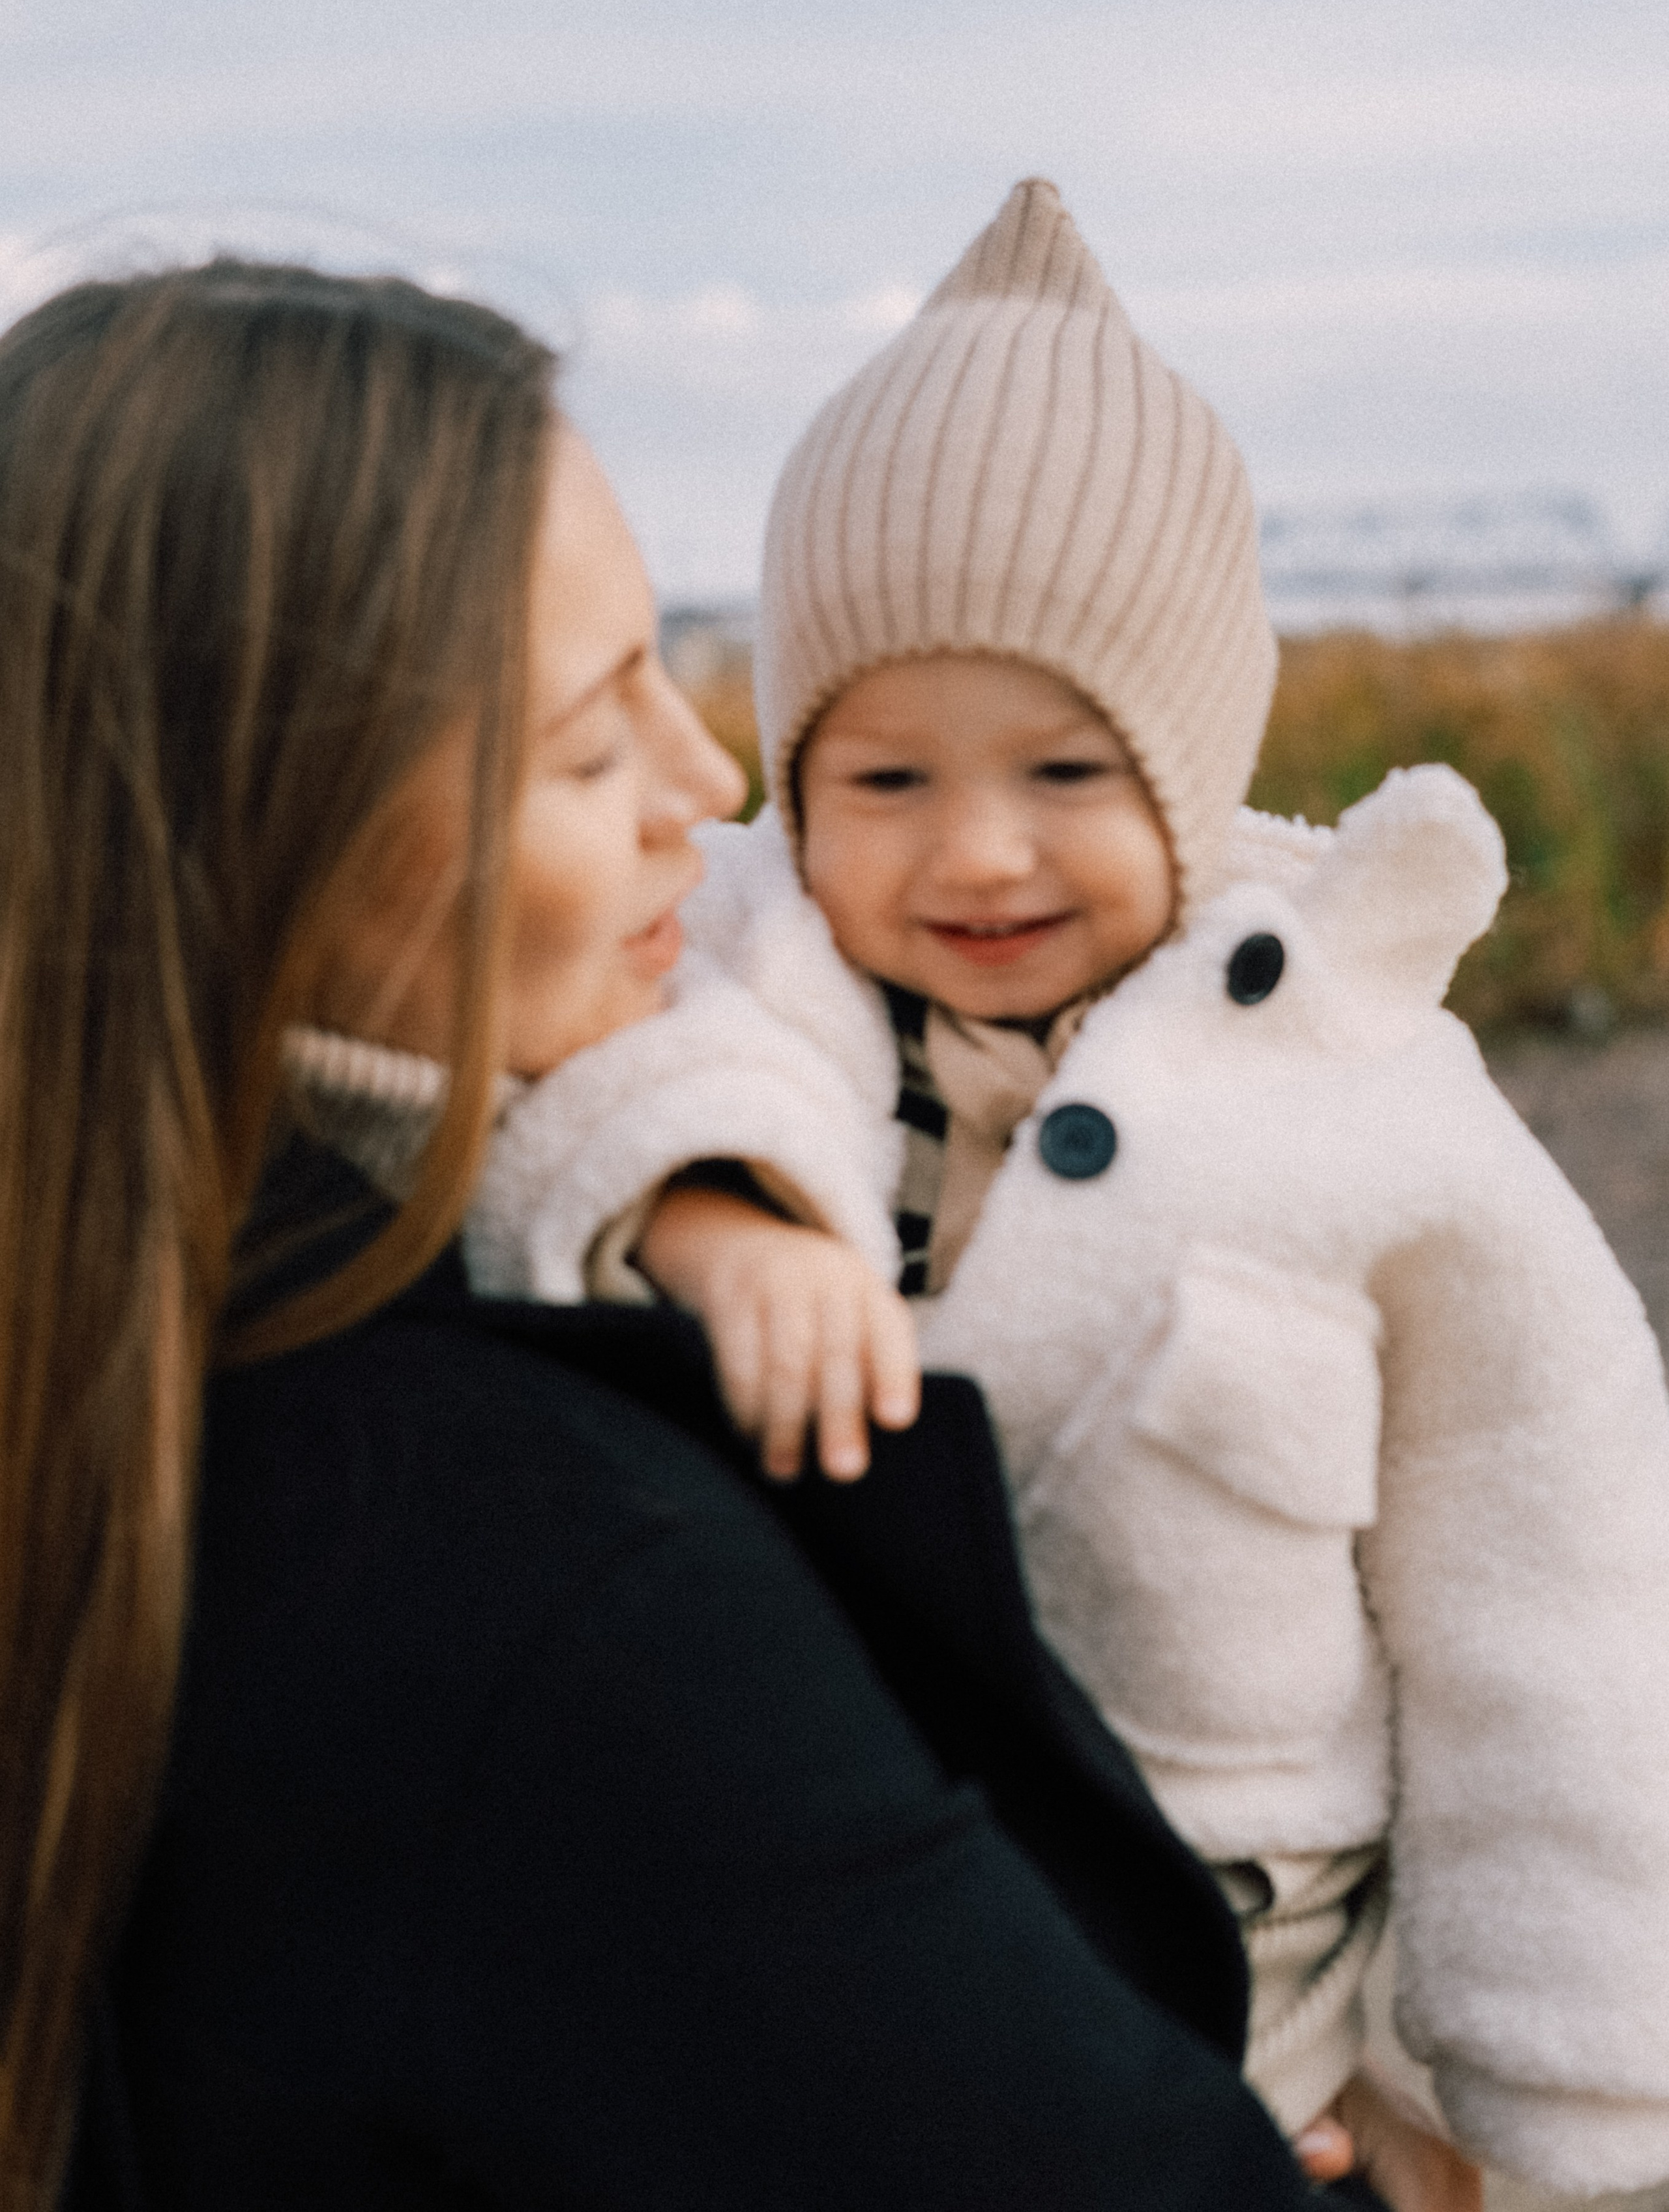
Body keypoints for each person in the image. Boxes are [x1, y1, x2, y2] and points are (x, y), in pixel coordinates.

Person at [0, 254, 1342, 2211]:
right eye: (582, 747)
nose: (710, 792)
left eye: (668, 680)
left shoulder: (126, 1382)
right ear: (267, 825)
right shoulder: (545, 1586)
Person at [435, 182, 1669, 2202]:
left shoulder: (1367, 1098)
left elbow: (1553, 1601)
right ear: (793, 783)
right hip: (843, 1966)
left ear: (1189, 774)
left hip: (1249, 1998)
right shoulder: (750, 980)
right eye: (887, 780)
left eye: (1069, 776)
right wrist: (721, 1213)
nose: (977, 855)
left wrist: (1579, 2122)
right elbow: (612, 1089)